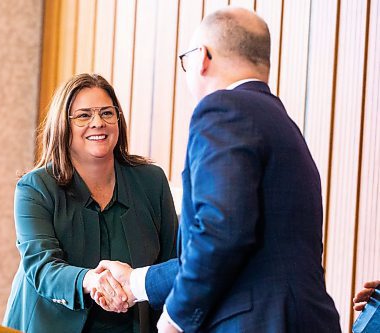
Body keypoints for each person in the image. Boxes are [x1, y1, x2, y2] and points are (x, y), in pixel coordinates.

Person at [94, 7, 341, 332]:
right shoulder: (283, 124)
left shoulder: (222, 109)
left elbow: (221, 230)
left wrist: (176, 317)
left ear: (202, 58)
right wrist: (137, 281)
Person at [3, 73, 178, 333]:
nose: (98, 123)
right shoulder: (35, 188)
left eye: (107, 113)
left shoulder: (151, 181)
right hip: (49, 325)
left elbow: (172, 262)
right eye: (84, 116)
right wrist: (91, 280)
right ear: (63, 125)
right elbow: (41, 268)